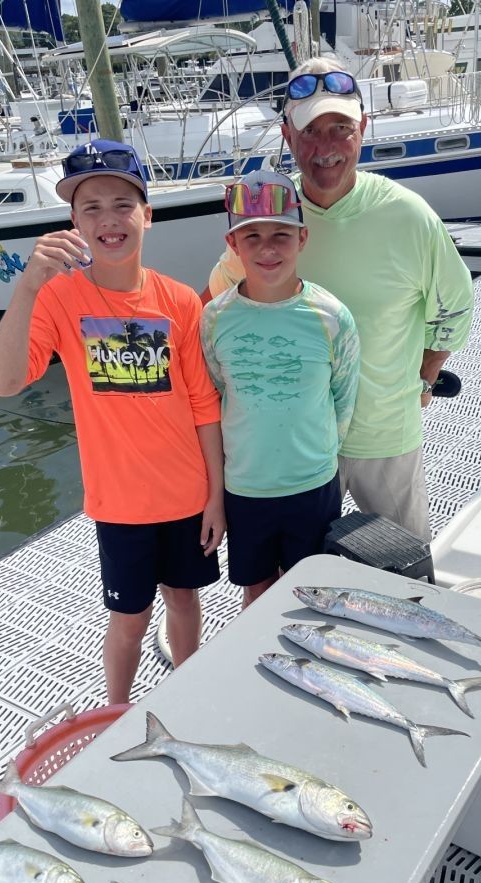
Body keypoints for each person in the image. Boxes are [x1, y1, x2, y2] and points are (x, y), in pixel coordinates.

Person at [0, 139, 225, 703]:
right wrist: (27, 285)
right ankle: (116, 709)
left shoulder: (179, 301)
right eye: (90, 207)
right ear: (72, 222)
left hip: (188, 496)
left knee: (185, 599)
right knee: (129, 619)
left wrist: (216, 496)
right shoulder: (59, 298)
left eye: (123, 204)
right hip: (119, 505)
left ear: (148, 214)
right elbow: (3, 381)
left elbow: (202, 404)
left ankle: (188, 696)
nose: (108, 219)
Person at [204, 58, 474, 543]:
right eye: (310, 131)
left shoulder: (409, 215)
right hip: (295, 450)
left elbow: (456, 305)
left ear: (362, 130)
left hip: (385, 434)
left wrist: (425, 376)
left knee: (405, 575)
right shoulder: (271, 219)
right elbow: (215, 309)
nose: (325, 147)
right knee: (299, 583)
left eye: (340, 129)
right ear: (287, 136)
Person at [201, 169, 360, 606]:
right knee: (257, 589)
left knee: (312, 589)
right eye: (251, 237)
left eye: (281, 235)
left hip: (313, 482)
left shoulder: (333, 317)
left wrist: (319, 453)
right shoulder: (214, 318)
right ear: (233, 245)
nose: (267, 248)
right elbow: (217, 392)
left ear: (303, 239)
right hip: (246, 486)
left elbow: (343, 397)